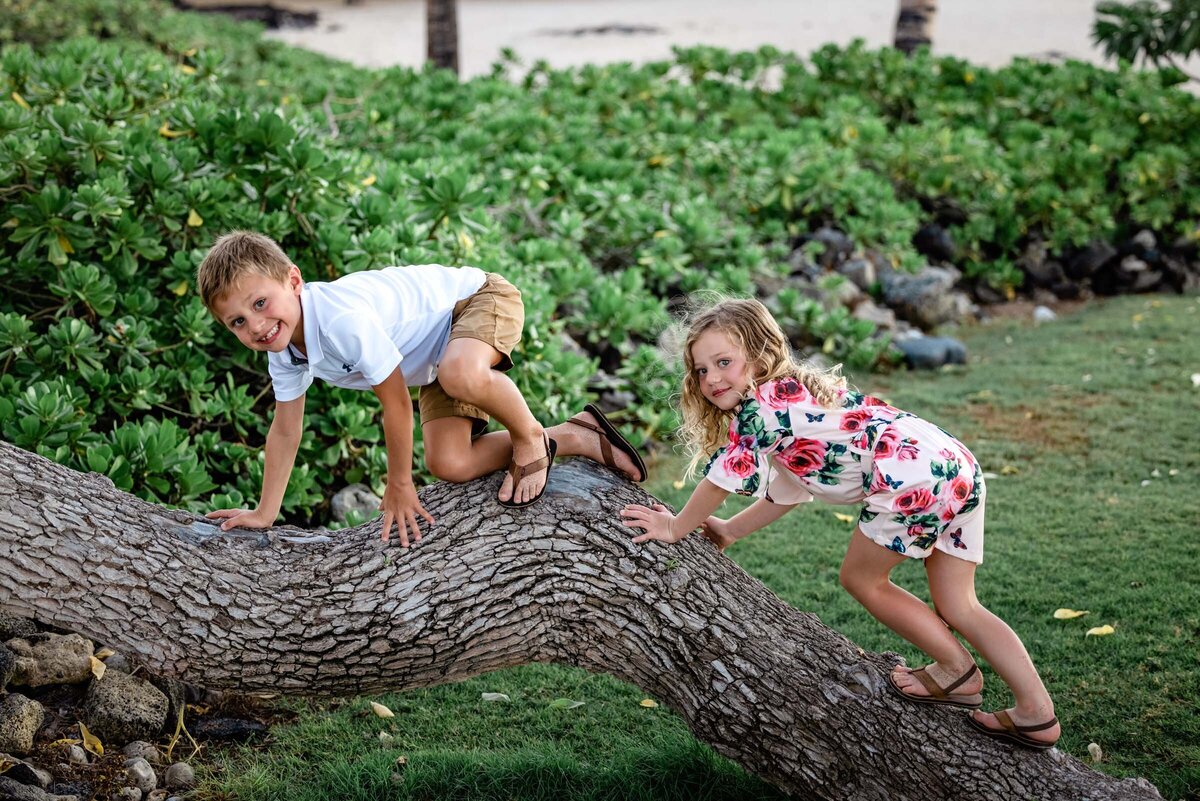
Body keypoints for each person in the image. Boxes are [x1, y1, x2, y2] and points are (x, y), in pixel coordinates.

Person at [620, 297, 1059, 750]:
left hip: (909, 473)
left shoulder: (760, 409)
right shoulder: (792, 393)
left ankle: (955, 671)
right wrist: (731, 529)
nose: (712, 379)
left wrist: (676, 527)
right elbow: (791, 489)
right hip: (950, 462)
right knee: (960, 604)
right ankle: (1036, 713)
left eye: (723, 362)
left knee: (863, 578)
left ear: (759, 354)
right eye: (701, 370)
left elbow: (722, 479)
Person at [196, 231, 646, 544]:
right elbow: (285, 429)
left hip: (474, 301)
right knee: (450, 462)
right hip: (435, 359)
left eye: (260, 303)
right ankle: (574, 435)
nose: (256, 325)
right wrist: (265, 511)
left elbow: (395, 404)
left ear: (293, 281)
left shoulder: (338, 319)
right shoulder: (285, 353)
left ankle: (530, 439)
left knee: (462, 374)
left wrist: (399, 484)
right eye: (238, 321)